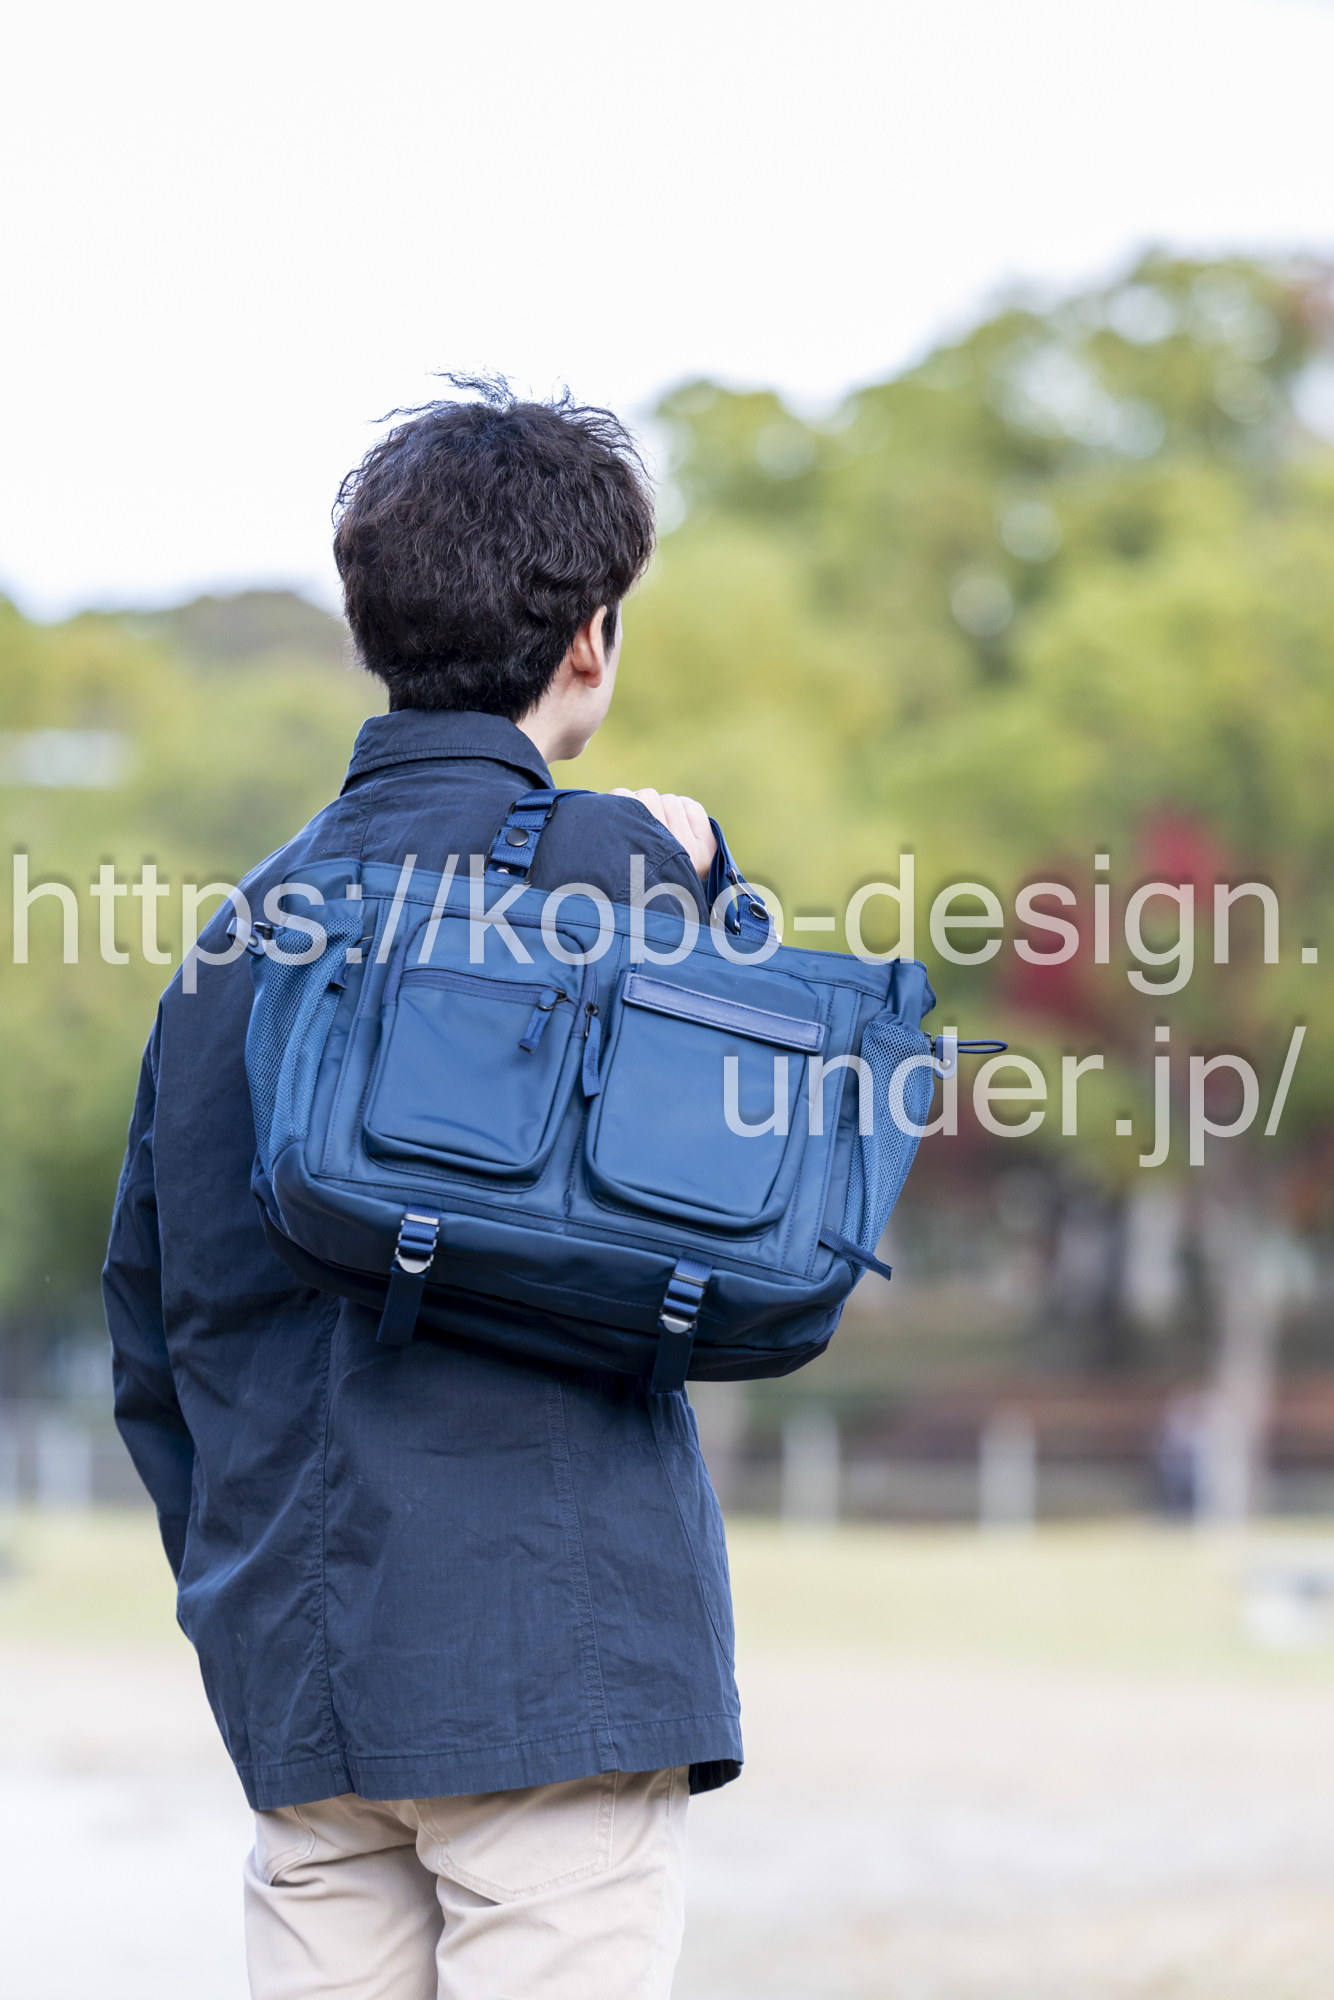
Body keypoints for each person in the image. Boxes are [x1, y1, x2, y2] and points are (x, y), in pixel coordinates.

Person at [103, 381, 742, 2000]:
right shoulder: (620, 875)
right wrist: (700, 882)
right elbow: (743, 1204)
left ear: (367, 626)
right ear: (588, 638)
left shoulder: (230, 943)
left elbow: (149, 1337)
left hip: (301, 1681)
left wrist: (247, 1588)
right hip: (554, 1668)